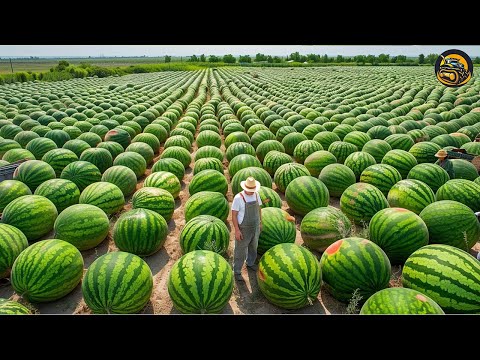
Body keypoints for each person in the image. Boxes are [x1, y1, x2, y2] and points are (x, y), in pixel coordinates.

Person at [231, 176, 262, 281]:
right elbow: (234, 215)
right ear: (245, 188)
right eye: (250, 190)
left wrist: (260, 222)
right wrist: (237, 230)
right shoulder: (238, 198)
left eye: (253, 190)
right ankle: (237, 271)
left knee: (254, 246)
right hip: (244, 228)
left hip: (255, 225)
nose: (251, 192)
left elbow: (259, 209)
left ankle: (250, 263)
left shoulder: (257, 195)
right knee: (240, 250)